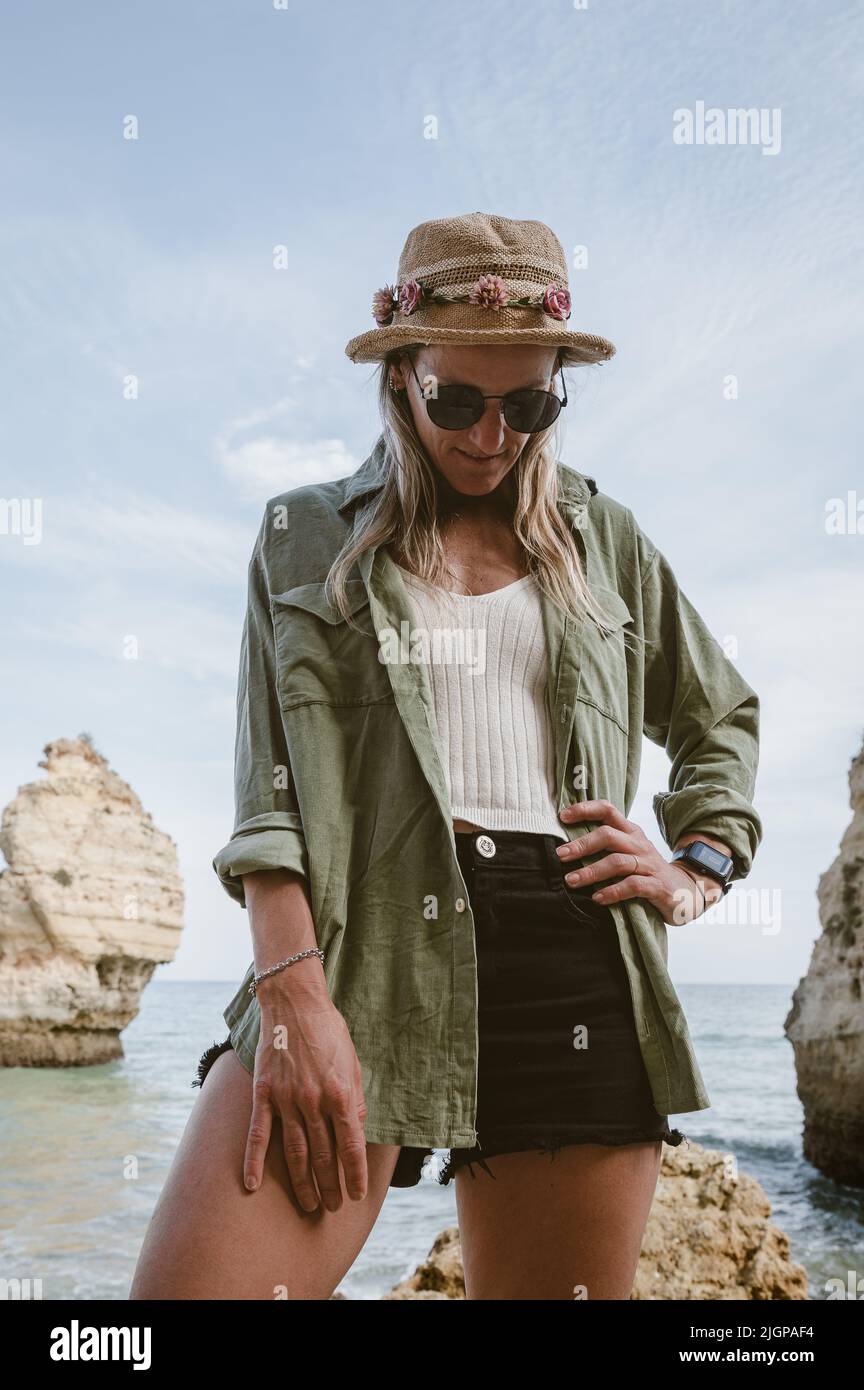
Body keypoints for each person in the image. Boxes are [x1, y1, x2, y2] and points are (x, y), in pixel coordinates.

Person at [130, 212, 761, 1301]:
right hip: (357, 954)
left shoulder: (607, 543)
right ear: (401, 379)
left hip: (576, 960)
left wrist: (693, 874)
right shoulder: (304, 538)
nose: (489, 437)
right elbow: (267, 794)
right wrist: (291, 992)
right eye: (456, 401)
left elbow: (721, 718)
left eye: (528, 405)